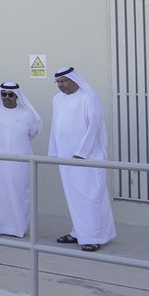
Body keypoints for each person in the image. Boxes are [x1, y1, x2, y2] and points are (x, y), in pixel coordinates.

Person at [50, 66, 117, 252]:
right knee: (74, 196)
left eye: (64, 81)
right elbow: (56, 126)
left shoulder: (88, 97)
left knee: (91, 195)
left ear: (74, 80)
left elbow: (94, 125)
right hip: (66, 156)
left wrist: (82, 152)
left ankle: (95, 237)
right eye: (58, 82)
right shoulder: (57, 100)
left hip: (87, 156)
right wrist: (54, 152)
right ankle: (78, 232)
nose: (61, 85)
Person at [0, 82, 41, 238]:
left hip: (18, 162)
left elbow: (33, 132)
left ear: (17, 96)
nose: (6, 97)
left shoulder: (27, 114)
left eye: (10, 94)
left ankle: (16, 227)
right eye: (3, 94)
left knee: (18, 192)